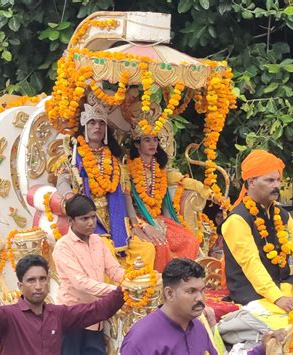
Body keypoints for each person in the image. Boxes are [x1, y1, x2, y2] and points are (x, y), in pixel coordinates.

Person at [0, 248, 125, 355]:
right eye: (31, 280)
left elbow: (96, 310)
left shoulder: (57, 314)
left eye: (42, 279)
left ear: (48, 282)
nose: (38, 286)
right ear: (20, 286)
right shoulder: (8, 316)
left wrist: (124, 290)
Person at [222, 150, 293, 311]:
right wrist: (277, 297)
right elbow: (251, 263)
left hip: (284, 284)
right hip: (253, 293)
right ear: (251, 182)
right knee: (288, 322)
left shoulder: (281, 215)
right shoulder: (237, 220)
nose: (277, 185)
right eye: (270, 180)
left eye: (278, 180)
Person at [53, 194, 124, 355]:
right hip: (72, 320)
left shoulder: (98, 241)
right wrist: (118, 292)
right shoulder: (63, 247)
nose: (91, 223)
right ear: (71, 221)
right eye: (84, 219)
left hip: (95, 318)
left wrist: (133, 281)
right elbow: (80, 283)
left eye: (93, 217)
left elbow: (114, 270)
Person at [126, 131, 204, 272]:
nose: (153, 144)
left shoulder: (160, 169)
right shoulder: (128, 170)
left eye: (155, 140)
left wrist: (202, 188)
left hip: (158, 219)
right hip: (138, 221)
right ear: (137, 144)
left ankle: (184, 280)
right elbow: (127, 204)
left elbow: (173, 188)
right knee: (161, 246)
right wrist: (142, 225)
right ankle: (164, 284)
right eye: (147, 140)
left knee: (190, 240)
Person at [56, 102, 130, 252]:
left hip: (115, 215)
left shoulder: (114, 160)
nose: (98, 127)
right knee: (106, 249)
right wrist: (70, 197)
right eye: (92, 122)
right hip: (86, 216)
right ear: (84, 127)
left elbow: (124, 193)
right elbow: (62, 180)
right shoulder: (72, 157)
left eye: (101, 123)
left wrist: (134, 223)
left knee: (145, 248)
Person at [121, 258, 217, 354]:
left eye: (202, 291)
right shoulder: (140, 339)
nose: (200, 298)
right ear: (169, 293)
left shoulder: (198, 327)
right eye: (191, 291)